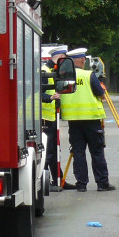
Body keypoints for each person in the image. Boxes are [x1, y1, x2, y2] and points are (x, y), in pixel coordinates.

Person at [60, 47, 115, 192]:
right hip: (91, 119)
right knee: (96, 152)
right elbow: (101, 95)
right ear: (83, 60)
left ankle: (81, 185)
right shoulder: (88, 75)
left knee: (78, 152)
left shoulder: (64, 75)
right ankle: (102, 184)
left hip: (73, 120)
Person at [41, 46, 67, 189]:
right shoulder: (45, 71)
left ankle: (58, 180)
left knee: (55, 150)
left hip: (51, 116)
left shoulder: (55, 71)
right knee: (48, 151)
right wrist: (50, 97)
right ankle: (45, 181)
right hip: (44, 117)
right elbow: (37, 92)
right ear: (59, 57)